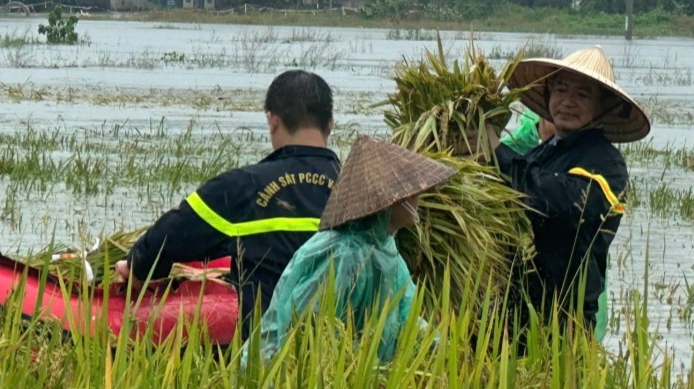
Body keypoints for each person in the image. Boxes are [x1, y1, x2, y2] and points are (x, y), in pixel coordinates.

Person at [115, 70, 341, 338]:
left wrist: (137, 265)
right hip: (343, 342)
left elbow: (174, 232)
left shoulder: (244, 186)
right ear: (329, 124)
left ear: (272, 121)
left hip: (264, 345)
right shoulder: (360, 189)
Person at [243, 135, 456, 364]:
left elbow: (405, 314)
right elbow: (306, 330)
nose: (418, 202)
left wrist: (444, 350)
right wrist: (361, 363)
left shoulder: (385, 248)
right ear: (393, 200)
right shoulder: (343, 254)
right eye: (413, 194)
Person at [494, 46, 650, 333]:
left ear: (603, 106)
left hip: (565, 324)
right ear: (548, 95)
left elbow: (563, 203)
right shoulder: (540, 154)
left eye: (582, 94)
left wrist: (496, 153)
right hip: (516, 317)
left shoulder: (606, 164)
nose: (567, 102)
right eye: (561, 90)